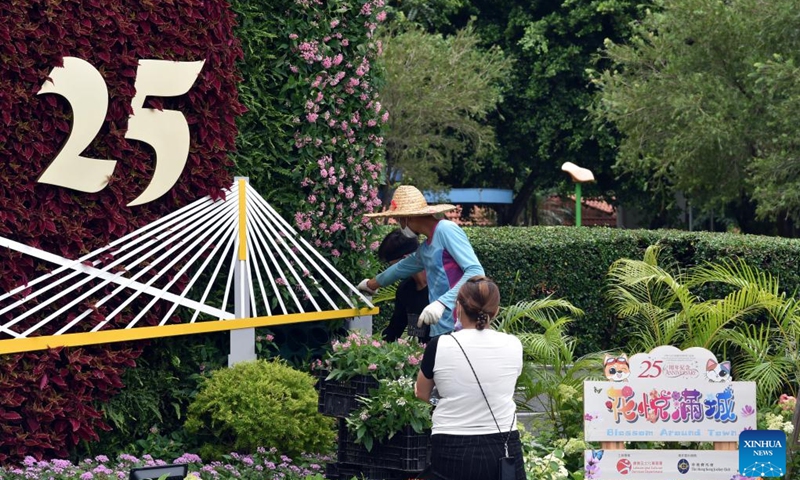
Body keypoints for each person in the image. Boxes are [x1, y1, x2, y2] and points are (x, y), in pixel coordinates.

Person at [414, 276, 525, 480]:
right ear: (496, 311)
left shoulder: (439, 345)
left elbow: (421, 393)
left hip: (450, 445)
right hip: (503, 444)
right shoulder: (514, 344)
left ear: (458, 308)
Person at [358, 185, 484, 338]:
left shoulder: (446, 229)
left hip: (459, 326)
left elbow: (475, 272)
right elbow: (400, 268)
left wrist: (442, 303)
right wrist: (371, 284)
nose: (399, 224)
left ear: (407, 217)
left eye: (398, 219)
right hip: (440, 328)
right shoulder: (426, 248)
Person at [376, 229, 429, 342]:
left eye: (392, 266)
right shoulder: (405, 289)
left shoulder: (440, 286)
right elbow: (395, 328)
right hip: (420, 355)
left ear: (406, 260)